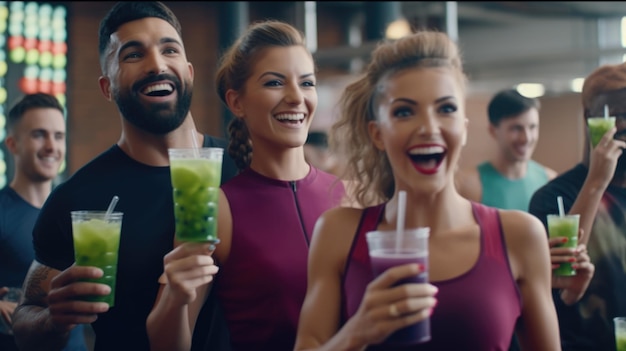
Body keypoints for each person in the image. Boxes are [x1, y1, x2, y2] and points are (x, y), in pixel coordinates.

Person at [293, 30, 564, 351]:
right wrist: (357, 332)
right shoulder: (338, 233)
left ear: (462, 130)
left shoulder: (520, 236)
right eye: (405, 112)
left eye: (445, 109)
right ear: (377, 134)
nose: (428, 127)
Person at [11, 2, 237, 350]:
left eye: (169, 50)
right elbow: (27, 316)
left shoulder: (242, 168)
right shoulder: (76, 197)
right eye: (133, 55)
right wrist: (52, 318)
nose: (158, 65)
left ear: (189, 71)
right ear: (107, 86)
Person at [146, 20, 346, 351]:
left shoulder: (349, 194)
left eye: (307, 83)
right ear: (237, 103)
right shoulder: (216, 209)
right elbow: (166, 345)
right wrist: (175, 298)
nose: (296, 97)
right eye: (275, 82)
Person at [529, 61, 626, 351]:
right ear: (590, 117)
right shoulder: (554, 196)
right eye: (619, 115)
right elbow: (561, 275)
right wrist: (596, 181)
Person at [0, 93, 87, 351]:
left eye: (58, 136)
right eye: (39, 135)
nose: (51, 146)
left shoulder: (78, 213)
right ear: (13, 144)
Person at [456, 88, 557, 211]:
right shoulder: (467, 185)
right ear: (493, 131)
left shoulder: (551, 181)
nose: (526, 138)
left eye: (532, 127)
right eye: (516, 128)